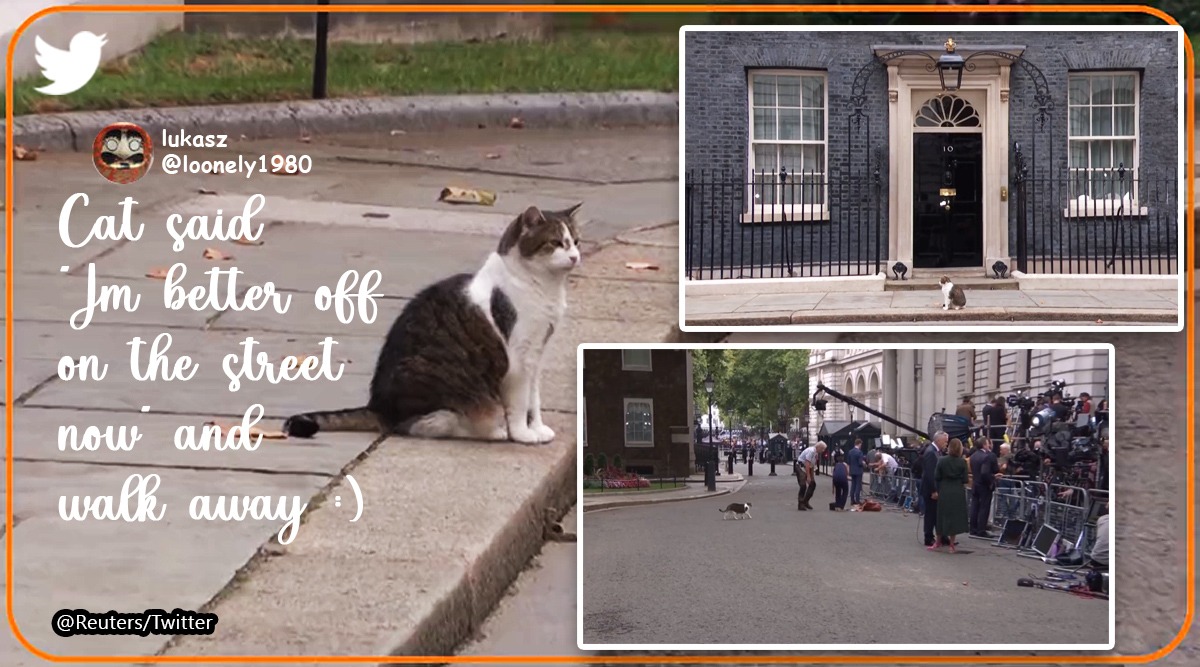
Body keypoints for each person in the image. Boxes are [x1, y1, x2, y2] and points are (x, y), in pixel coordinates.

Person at [931, 437, 970, 553]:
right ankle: (952, 545)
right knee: (954, 517)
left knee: (941, 515)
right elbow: (965, 479)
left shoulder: (942, 460)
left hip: (945, 489)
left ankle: (937, 541)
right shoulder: (962, 462)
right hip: (958, 491)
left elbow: (937, 476)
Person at [968, 437, 1000, 537]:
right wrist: (991, 479)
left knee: (974, 506)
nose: (988, 445)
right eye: (987, 443)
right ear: (984, 445)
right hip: (984, 485)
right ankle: (981, 529)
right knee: (984, 507)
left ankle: (973, 528)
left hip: (975, 483)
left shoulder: (973, 456)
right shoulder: (986, 457)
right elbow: (985, 472)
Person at [920, 431, 947, 547]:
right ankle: (928, 537)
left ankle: (942, 536)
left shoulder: (937, 451)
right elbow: (930, 474)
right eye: (945, 441)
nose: (946, 443)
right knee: (931, 514)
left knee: (937, 514)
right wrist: (934, 490)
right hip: (931, 490)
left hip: (935, 488)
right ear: (939, 440)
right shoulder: (931, 452)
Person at [796, 441, 826, 511]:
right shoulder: (811, 451)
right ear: (818, 447)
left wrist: (812, 478)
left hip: (807, 467)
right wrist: (808, 477)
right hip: (800, 467)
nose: (823, 451)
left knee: (813, 484)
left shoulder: (816, 453)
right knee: (803, 485)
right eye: (822, 449)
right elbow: (807, 463)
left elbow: (812, 466)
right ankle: (800, 504)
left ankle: (805, 501)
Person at [847, 439, 866, 506]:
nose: (861, 446)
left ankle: (852, 500)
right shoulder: (859, 452)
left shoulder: (850, 452)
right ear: (859, 444)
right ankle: (857, 500)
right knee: (858, 485)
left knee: (853, 485)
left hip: (852, 470)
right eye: (861, 444)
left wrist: (849, 470)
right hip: (858, 471)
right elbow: (860, 463)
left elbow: (848, 462)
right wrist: (864, 463)